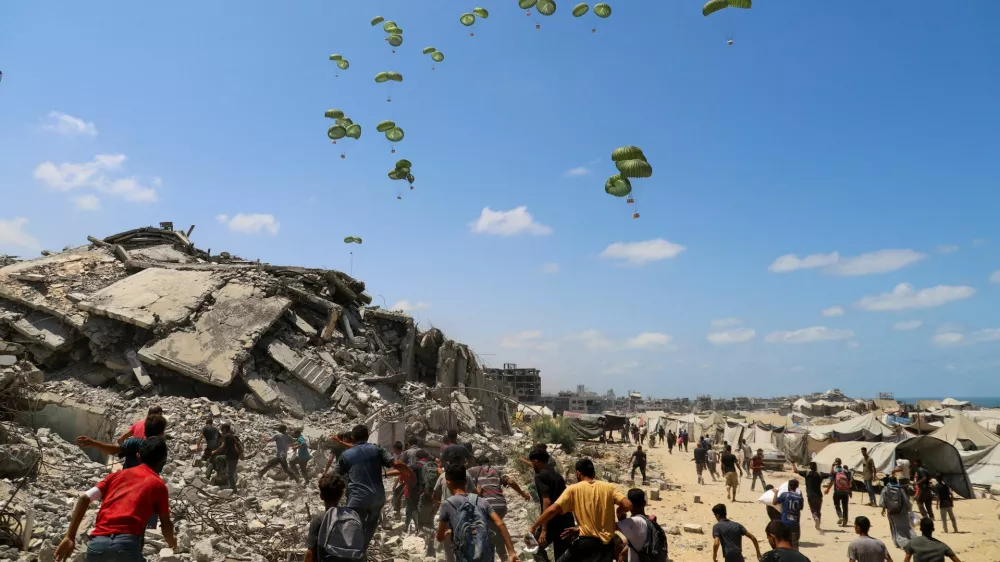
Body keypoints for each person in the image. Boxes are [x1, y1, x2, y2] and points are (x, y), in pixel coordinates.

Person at [55, 437, 175, 562]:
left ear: (138, 456)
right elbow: (165, 524)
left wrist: (70, 536)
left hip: (97, 545)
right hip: (127, 546)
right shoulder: (159, 485)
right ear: (163, 461)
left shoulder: (114, 476)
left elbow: (85, 498)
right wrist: (172, 542)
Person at [531, 458, 633, 562]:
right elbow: (628, 505)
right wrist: (620, 510)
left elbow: (553, 509)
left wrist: (534, 526)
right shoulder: (609, 487)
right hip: (607, 546)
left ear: (578, 473)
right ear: (593, 472)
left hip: (586, 544)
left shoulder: (573, 489)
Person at [337, 424, 412, 549]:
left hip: (357, 499)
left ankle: (354, 554)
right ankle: (362, 551)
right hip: (377, 499)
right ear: (367, 436)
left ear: (352, 437)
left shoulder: (347, 454)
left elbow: (335, 475)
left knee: (353, 530)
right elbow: (395, 463)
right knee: (369, 528)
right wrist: (408, 471)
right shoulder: (377, 449)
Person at [436, 464, 520, 562]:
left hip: (465, 556)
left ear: (448, 483)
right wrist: (512, 552)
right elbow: (500, 524)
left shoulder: (447, 504)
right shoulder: (481, 501)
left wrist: (449, 532)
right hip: (485, 554)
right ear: (466, 481)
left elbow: (440, 537)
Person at [467, 455, 532, 561]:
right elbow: (510, 482)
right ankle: (504, 556)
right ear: (488, 463)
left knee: (487, 531)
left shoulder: (473, 470)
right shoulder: (496, 471)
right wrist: (522, 493)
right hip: (501, 506)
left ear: (477, 463)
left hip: (486, 505)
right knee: (495, 529)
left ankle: (498, 556)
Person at [529, 449, 575, 561]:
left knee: (531, 544)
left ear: (536, 461)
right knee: (561, 556)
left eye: (531, 463)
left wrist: (544, 529)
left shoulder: (540, 476)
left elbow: (547, 501)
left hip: (552, 521)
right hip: (566, 521)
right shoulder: (557, 476)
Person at [77, 414, 168, 470]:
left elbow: (114, 450)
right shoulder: (162, 450)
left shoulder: (135, 442)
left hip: (127, 480)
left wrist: (93, 443)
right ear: (162, 432)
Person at [304, 472, 352, 562]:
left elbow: (310, 553)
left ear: (321, 496)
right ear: (341, 495)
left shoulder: (319, 519)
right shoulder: (351, 515)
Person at [616, 489, 662, 562]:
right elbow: (633, 540)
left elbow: (611, 526)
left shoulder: (634, 522)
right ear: (644, 503)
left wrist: (620, 510)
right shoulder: (648, 519)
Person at [880, 477, 914, 549]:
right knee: (906, 527)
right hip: (902, 511)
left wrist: (883, 510)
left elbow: (882, 501)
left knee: (895, 528)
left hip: (891, 512)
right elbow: (906, 501)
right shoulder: (900, 489)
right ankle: (912, 541)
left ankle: (899, 543)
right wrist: (909, 509)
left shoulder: (886, 489)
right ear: (896, 481)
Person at [773, 480, 804, 550]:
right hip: (795, 523)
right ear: (797, 487)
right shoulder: (799, 497)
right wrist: (801, 496)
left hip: (785, 522)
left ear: (788, 486)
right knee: (795, 543)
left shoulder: (784, 494)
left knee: (785, 542)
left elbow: (774, 502)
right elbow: (801, 507)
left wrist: (776, 493)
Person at [212, 423, 242, 490]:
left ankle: (234, 490)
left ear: (225, 429)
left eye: (222, 429)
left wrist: (215, 451)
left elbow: (222, 447)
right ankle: (221, 473)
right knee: (219, 458)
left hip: (232, 458)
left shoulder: (227, 437)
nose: (221, 431)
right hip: (232, 456)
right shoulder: (230, 436)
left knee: (230, 474)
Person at [804, 462, 824, 532]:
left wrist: (793, 464)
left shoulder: (807, 474)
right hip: (819, 495)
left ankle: (815, 517)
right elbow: (830, 474)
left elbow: (795, 471)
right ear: (816, 467)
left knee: (813, 509)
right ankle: (818, 524)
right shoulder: (820, 474)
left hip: (810, 496)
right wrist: (833, 467)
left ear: (810, 467)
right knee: (818, 510)